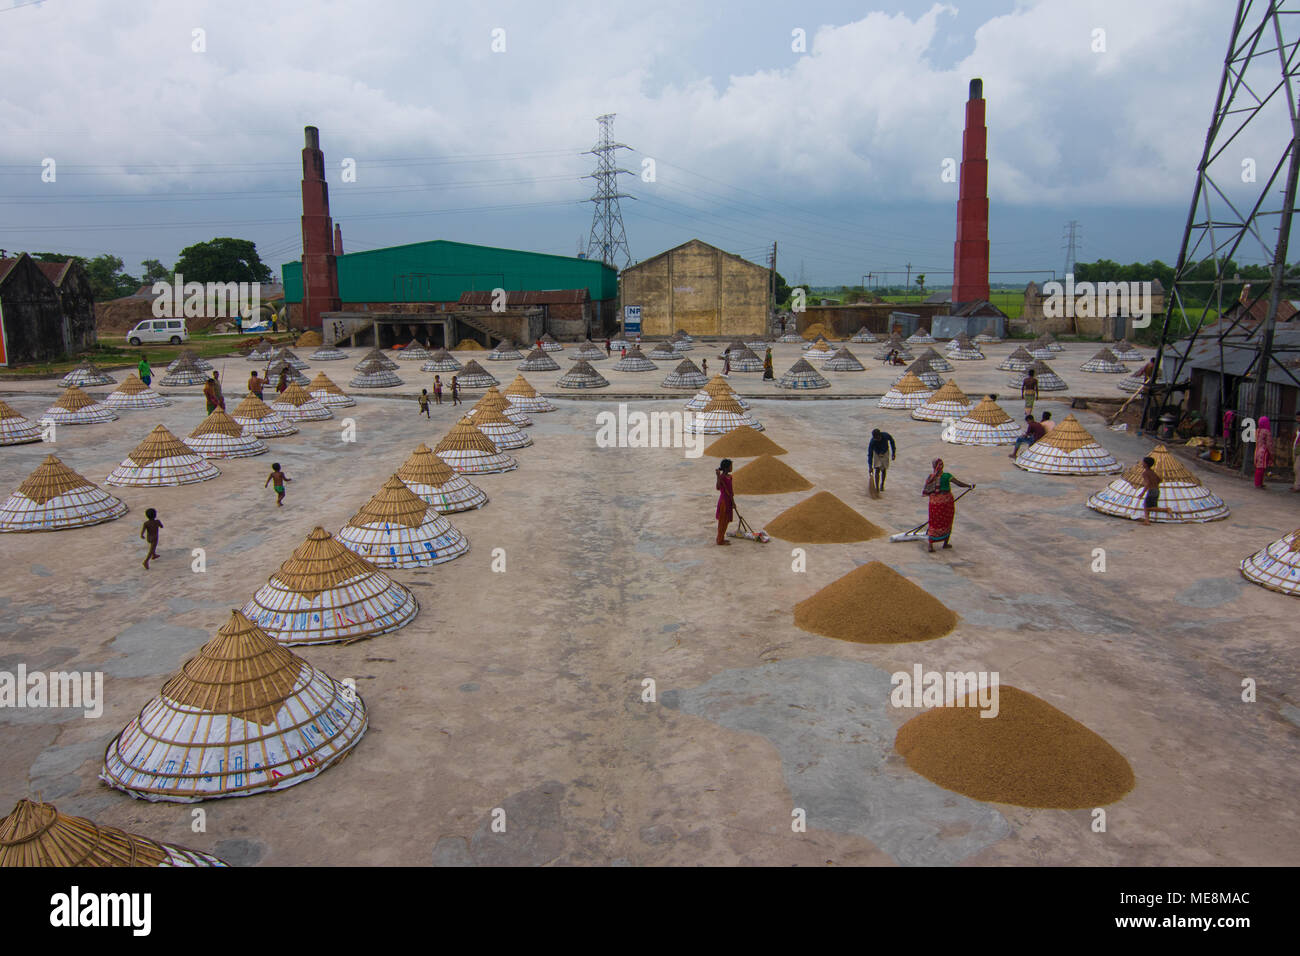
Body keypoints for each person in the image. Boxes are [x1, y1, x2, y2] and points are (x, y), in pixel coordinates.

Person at [922, 458, 973, 553]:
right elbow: (958, 483)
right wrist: (969, 486)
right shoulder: (947, 476)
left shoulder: (931, 477)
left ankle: (930, 545)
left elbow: (927, 491)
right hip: (946, 502)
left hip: (934, 503)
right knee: (947, 521)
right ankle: (945, 543)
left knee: (934, 522)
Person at [1138, 456, 1171, 524]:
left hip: (1152, 491)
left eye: (1143, 463)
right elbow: (1159, 479)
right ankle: (1147, 521)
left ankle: (1166, 509)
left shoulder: (1145, 473)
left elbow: (1147, 483)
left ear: (1146, 464)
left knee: (1147, 507)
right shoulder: (1152, 472)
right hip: (1156, 490)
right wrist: (1154, 483)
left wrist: (1142, 493)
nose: (1142, 464)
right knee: (1147, 505)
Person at [715, 459, 736, 546]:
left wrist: (733, 502)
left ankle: (721, 538)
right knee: (722, 521)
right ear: (726, 468)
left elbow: (731, 491)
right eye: (731, 466)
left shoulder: (729, 477)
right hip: (724, 501)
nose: (732, 467)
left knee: (726, 520)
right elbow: (718, 487)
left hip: (729, 500)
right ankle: (720, 540)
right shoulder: (722, 477)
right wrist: (718, 476)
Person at [1254, 415, 1273, 488]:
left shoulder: (1258, 431)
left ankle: (1258, 482)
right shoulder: (1267, 432)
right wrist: (1272, 453)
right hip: (1264, 451)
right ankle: (1259, 483)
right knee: (1262, 468)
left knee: (1258, 468)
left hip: (1257, 450)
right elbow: (1269, 444)